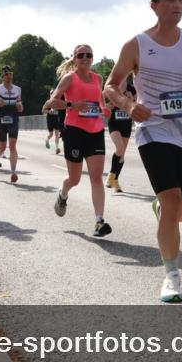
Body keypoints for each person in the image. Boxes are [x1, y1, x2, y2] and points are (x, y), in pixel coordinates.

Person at [104, 0, 182, 302]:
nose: (177, 5)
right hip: (152, 130)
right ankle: (172, 276)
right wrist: (129, 105)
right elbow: (110, 85)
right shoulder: (137, 44)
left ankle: (162, 207)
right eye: (170, 0)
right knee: (172, 200)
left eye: (181, 0)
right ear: (154, 5)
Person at [45, 44, 113, 238]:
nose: (85, 58)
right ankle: (63, 193)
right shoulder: (69, 78)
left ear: (92, 58)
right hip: (74, 131)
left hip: (95, 131)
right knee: (74, 179)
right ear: (74, 58)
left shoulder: (98, 78)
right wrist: (72, 105)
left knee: (96, 177)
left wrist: (104, 108)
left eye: (88, 55)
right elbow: (52, 102)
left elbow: (99, 100)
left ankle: (99, 221)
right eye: (80, 55)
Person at [0, 65, 24, 183]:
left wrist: (20, 106)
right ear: (3, 77)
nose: (9, 77)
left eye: (10, 74)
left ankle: (13, 172)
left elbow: (20, 105)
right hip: (2, 119)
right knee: (3, 147)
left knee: (12, 146)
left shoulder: (18, 89)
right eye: (6, 75)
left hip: (14, 119)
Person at [105, 81, 136, 193]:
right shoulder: (113, 86)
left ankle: (115, 180)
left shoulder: (132, 89)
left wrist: (132, 99)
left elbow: (137, 104)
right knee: (119, 148)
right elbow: (101, 97)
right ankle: (111, 176)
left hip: (126, 124)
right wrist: (105, 106)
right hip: (114, 123)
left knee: (122, 155)